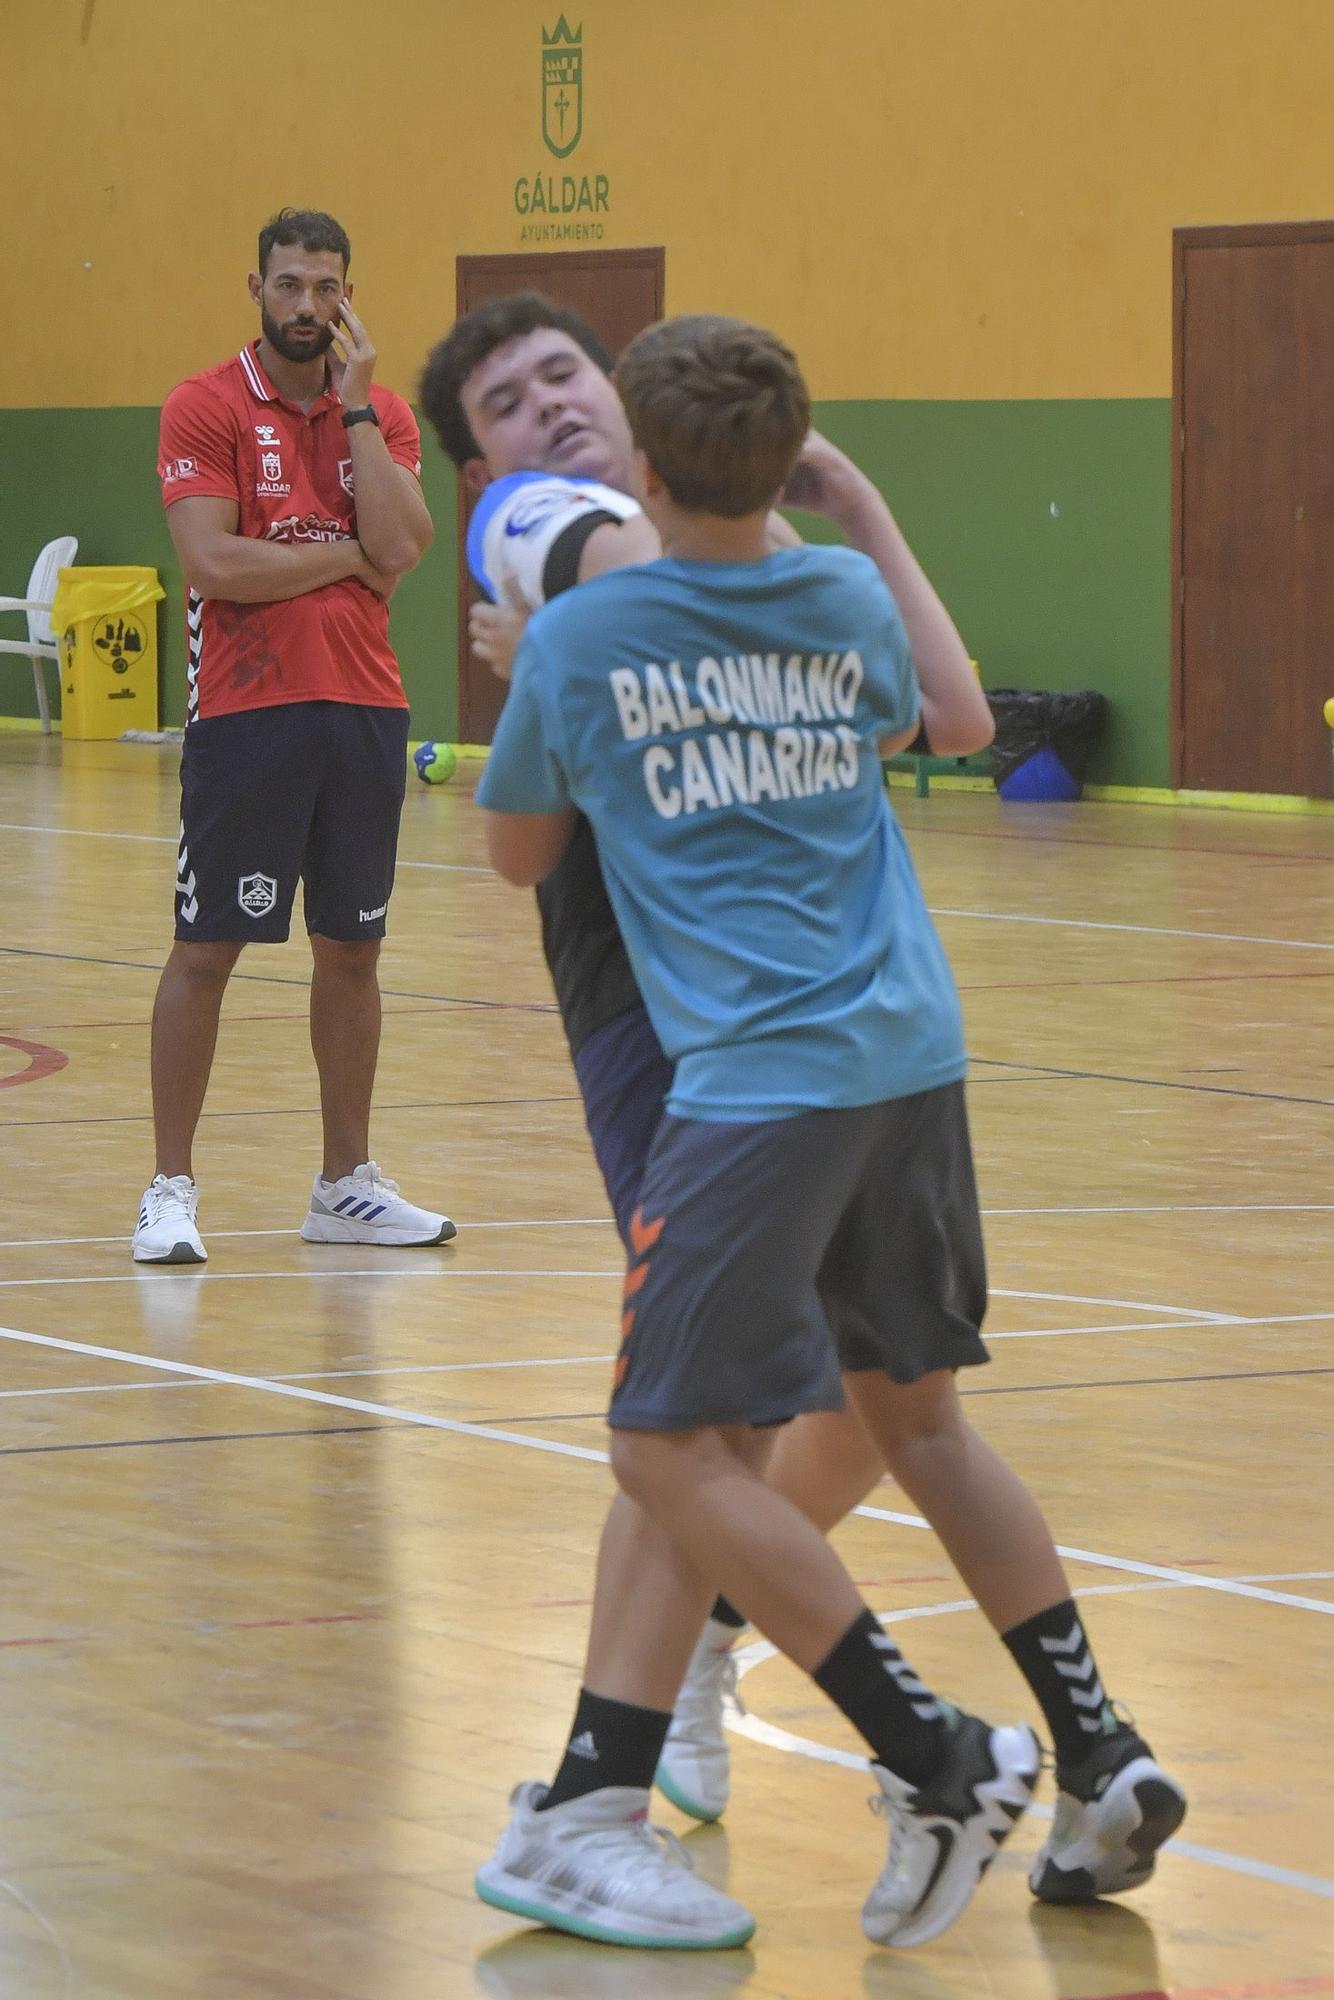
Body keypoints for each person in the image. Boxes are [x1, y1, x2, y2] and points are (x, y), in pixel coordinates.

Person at [421, 294, 1186, 1931]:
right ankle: (1053, 1739)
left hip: (747, 1065)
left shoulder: (599, 612)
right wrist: (831, 502)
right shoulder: (719, 567)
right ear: (478, 463)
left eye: (563, 370)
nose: (543, 406)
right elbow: (939, 712)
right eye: (505, 398)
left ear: (630, 422)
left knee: (692, 1439)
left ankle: (758, 1755)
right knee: (844, 1422)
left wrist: (543, 676)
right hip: (839, 1037)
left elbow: (545, 781)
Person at [134, 209, 453, 1265]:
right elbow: (216, 565)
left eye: (326, 287)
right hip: (245, 714)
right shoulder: (205, 404)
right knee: (206, 948)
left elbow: (402, 545)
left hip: (364, 711)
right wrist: (343, 556)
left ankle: (343, 1184)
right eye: (288, 285)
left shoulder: (385, 414)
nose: (308, 305)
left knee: (353, 948)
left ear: (348, 293)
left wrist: (357, 415)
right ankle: (170, 1187)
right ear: (256, 288)